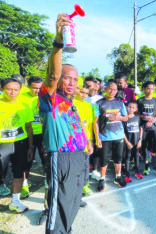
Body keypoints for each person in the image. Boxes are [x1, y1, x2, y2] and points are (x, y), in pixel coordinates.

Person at [39, 13, 92, 234]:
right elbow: (52, 73)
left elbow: (78, 126)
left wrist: (87, 143)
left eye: (75, 79)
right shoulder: (50, 98)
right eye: (67, 77)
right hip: (61, 158)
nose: (71, 82)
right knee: (59, 207)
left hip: (80, 157)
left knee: (72, 203)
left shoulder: (73, 103)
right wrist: (58, 43)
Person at [0, 78, 34, 212]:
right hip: (2, 144)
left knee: (19, 172)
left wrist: (30, 147)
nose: (12, 92)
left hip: (21, 143)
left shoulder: (25, 106)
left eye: (16, 89)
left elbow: (29, 127)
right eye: (9, 89)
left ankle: (15, 201)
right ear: (2, 89)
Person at [95, 81, 128, 190]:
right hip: (105, 136)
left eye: (114, 89)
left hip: (118, 136)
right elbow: (95, 122)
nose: (112, 91)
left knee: (118, 158)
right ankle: (102, 179)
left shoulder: (120, 103)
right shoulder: (99, 103)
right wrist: (97, 137)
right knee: (103, 159)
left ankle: (118, 177)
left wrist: (119, 118)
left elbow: (126, 117)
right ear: (105, 89)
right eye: (110, 89)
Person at [19, 76, 45, 199]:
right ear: (28, 86)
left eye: (39, 88)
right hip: (27, 134)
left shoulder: (44, 97)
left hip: (42, 134)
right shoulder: (21, 97)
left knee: (46, 160)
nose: (37, 91)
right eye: (34, 88)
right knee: (26, 162)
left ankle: (48, 183)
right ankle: (24, 186)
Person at [137, 81, 156, 177]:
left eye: (152, 88)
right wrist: (145, 117)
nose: (150, 90)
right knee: (144, 147)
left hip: (153, 126)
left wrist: (152, 120)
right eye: (148, 88)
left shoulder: (155, 100)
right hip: (143, 127)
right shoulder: (140, 100)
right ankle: (146, 166)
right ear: (144, 89)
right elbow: (136, 114)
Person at [73, 83, 97, 196]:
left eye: (86, 93)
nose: (84, 95)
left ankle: (85, 186)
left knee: (85, 163)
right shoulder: (71, 103)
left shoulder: (88, 105)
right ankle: (75, 186)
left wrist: (90, 141)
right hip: (73, 140)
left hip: (85, 140)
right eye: (82, 92)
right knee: (74, 165)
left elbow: (90, 124)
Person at [123, 101, 143, 180]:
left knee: (136, 156)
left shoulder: (137, 117)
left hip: (136, 141)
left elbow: (140, 128)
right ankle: (127, 173)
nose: (131, 109)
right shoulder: (125, 118)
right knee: (127, 157)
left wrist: (140, 140)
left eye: (133, 107)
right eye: (130, 107)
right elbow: (123, 132)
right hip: (128, 142)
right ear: (127, 107)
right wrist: (127, 142)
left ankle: (137, 171)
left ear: (136, 109)